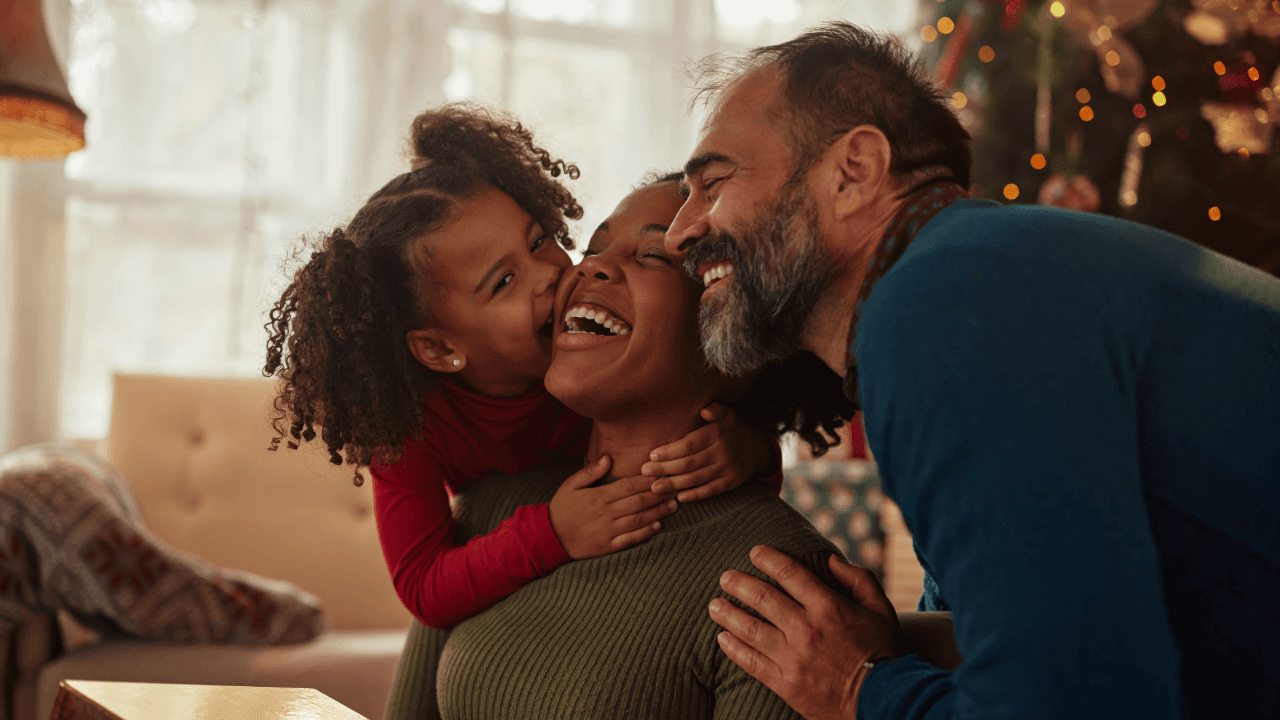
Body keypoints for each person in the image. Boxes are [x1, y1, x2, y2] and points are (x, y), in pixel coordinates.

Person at [664, 21, 1280, 720]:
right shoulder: (975, 276)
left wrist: (858, 688)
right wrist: (896, 644)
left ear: (855, 170)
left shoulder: (949, 304)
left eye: (712, 182)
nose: (683, 230)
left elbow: (1073, 705)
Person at [262, 104, 779, 630]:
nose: (550, 275)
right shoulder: (412, 428)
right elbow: (422, 586)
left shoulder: (604, 358)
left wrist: (751, 448)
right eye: (502, 282)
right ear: (440, 350)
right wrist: (551, 532)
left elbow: (708, 388)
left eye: (538, 242)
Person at [384, 175, 864, 720]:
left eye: (656, 256)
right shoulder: (489, 508)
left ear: (740, 336)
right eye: (592, 248)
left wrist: (757, 449)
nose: (585, 267)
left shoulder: (783, 589)